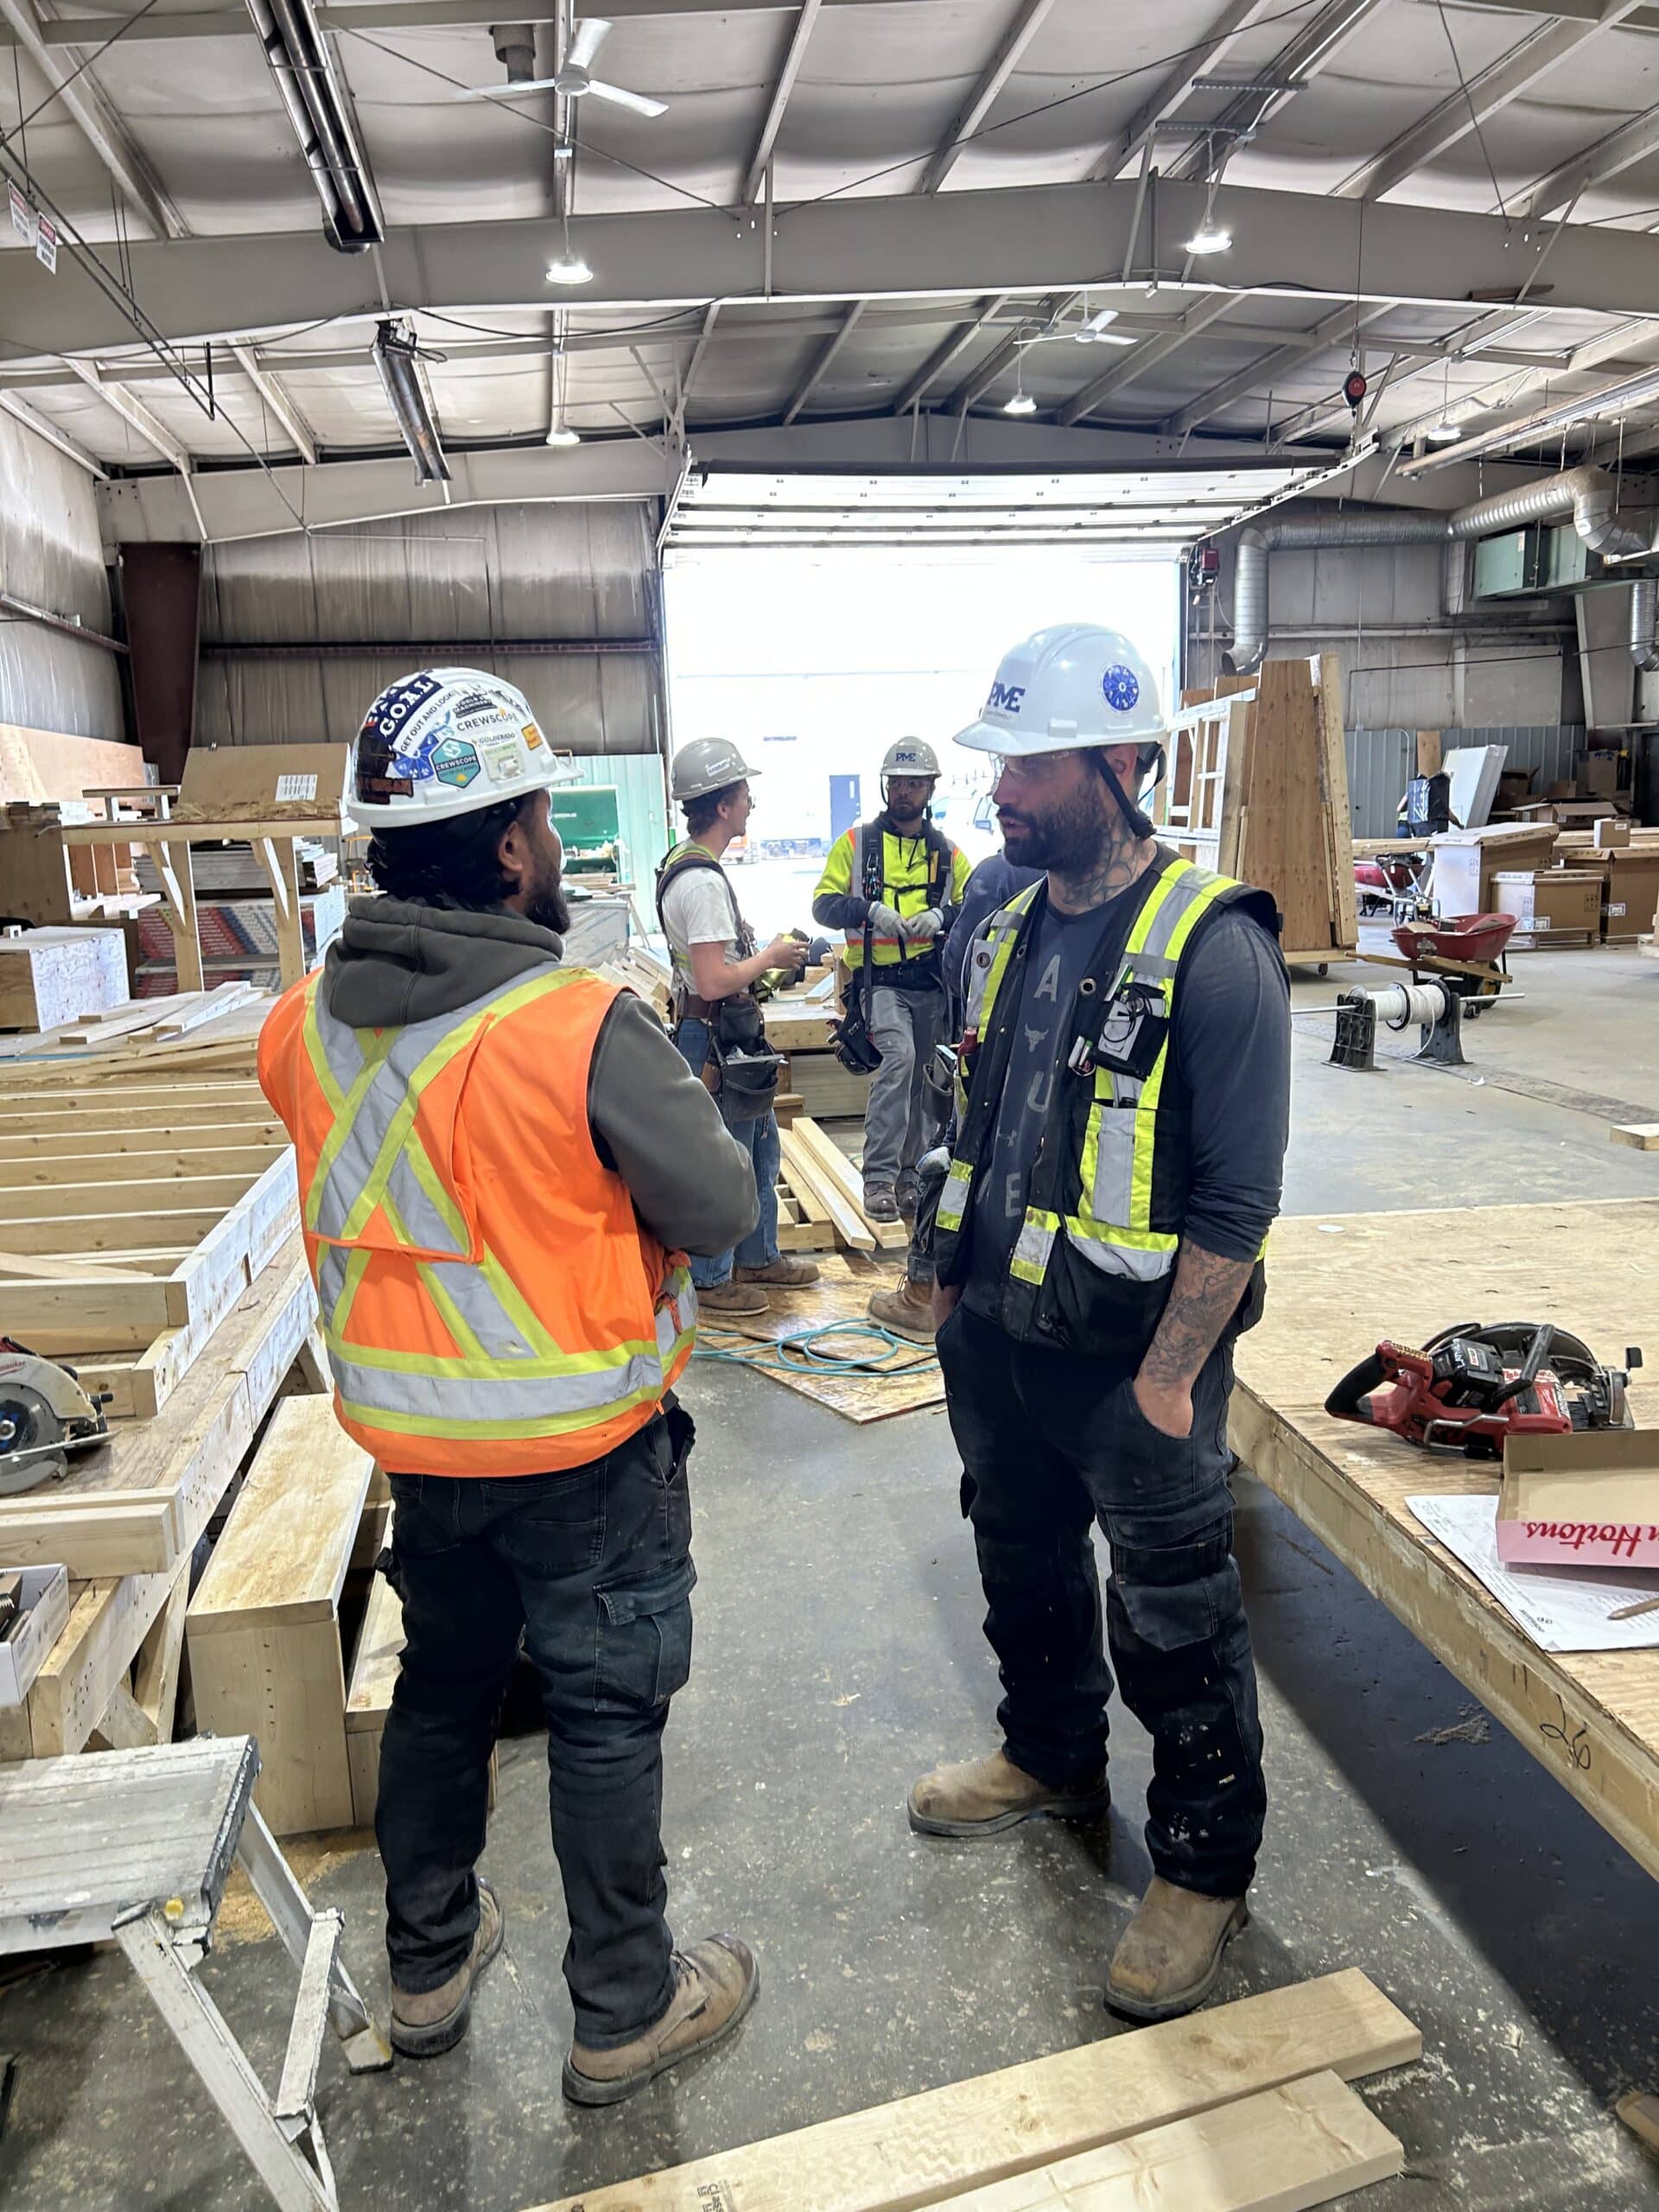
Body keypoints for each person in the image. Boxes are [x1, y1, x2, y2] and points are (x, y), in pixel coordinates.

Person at [257, 668, 762, 2103]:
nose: (551, 847)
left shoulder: (301, 1026)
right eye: (541, 820)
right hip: (584, 1455)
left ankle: (423, 1974)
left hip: (419, 1453)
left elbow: (407, 1158)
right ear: (506, 849)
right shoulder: (577, 1026)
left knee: (443, 1697)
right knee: (606, 1716)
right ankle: (621, 2009)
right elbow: (717, 1208)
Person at [909, 625, 1291, 2025]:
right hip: (1000, 1338)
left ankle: (1201, 1864)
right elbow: (980, 1121)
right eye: (999, 760)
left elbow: (1238, 1198)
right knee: (1019, 1558)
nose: (999, 789)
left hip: (1139, 1370)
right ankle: (1049, 1753)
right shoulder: (999, 918)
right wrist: (941, 1280)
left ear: (1120, 765)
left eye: (1031, 762)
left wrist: (1179, 1377)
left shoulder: (1215, 945)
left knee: (1176, 1613)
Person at [658, 738, 820, 1317]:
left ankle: (757, 1256)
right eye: (744, 793)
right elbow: (710, 981)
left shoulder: (690, 867)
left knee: (760, 1148)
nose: (751, 802)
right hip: (714, 1037)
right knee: (723, 1160)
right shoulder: (701, 883)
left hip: (727, 1036)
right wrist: (771, 957)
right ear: (723, 804)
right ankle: (711, 1276)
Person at [865, 847, 1039, 1346]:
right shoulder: (1099, 882)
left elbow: (960, 957)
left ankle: (923, 1291)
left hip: (988, 1050)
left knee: (948, 1163)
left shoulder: (996, 871)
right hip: (1049, 1062)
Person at [812, 739, 973, 1223]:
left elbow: (975, 905)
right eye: (898, 782)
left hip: (930, 983)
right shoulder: (857, 844)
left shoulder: (947, 853)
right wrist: (869, 910)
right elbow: (822, 904)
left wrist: (942, 916)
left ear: (929, 789)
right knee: (899, 1059)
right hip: (880, 982)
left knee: (927, 1079)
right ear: (887, 787)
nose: (905, 791)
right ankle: (878, 1177)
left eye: (915, 783)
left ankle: (910, 1176)